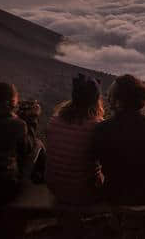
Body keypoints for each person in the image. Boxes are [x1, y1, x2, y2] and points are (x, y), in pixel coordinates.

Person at [93, 74, 145, 214]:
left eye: (110, 95)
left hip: (117, 198)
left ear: (117, 101)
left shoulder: (102, 129)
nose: (107, 98)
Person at [46, 74, 104, 205]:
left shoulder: (55, 120)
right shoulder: (98, 126)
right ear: (96, 100)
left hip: (55, 187)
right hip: (84, 191)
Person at [0, 82, 35, 206]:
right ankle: (40, 180)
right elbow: (27, 149)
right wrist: (32, 120)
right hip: (5, 190)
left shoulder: (16, 124)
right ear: (12, 102)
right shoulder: (18, 125)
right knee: (37, 145)